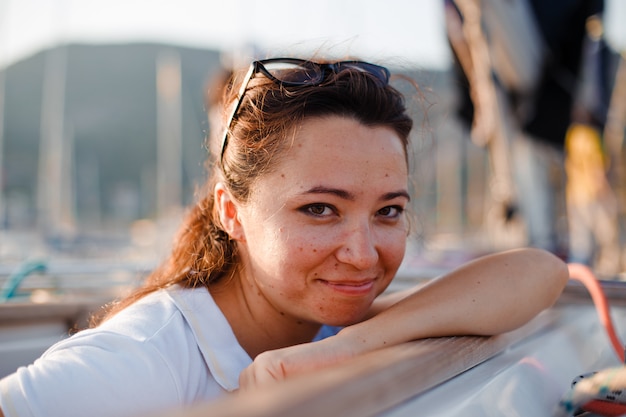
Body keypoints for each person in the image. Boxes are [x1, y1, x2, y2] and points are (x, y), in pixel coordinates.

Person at [0, 57, 569, 417]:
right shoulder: (146, 359)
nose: (363, 253)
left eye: (389, 210)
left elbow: (540, 273)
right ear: (232, 212)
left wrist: (337, 350)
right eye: (320, 208)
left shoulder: (321, 322)